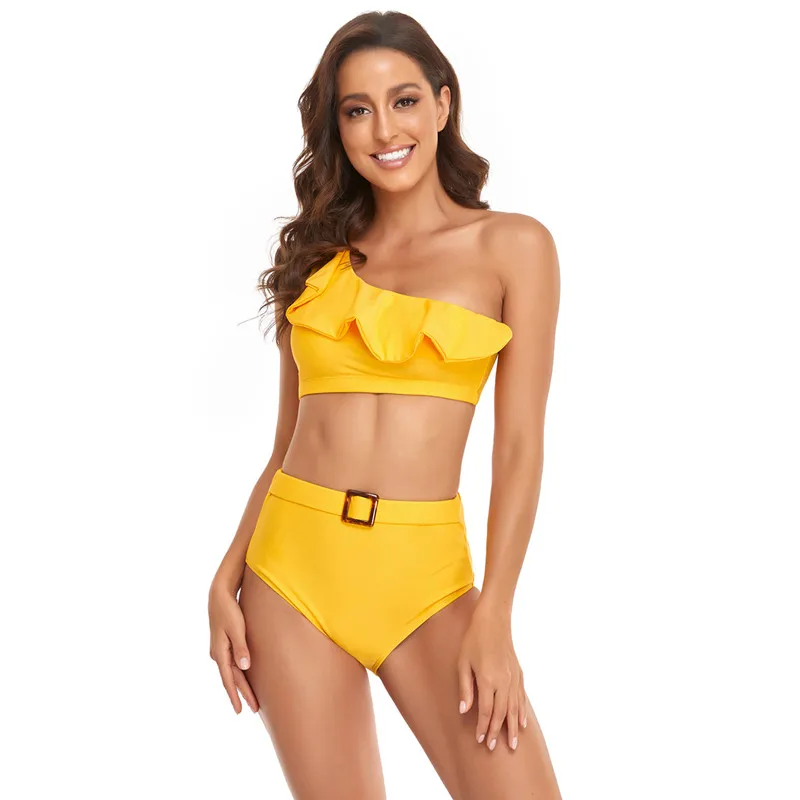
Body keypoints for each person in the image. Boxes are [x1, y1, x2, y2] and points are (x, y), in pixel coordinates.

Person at [208, 10, 562, 799]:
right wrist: (226, 577)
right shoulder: (316, 258)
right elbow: (286, 444)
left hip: (426, 578)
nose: (384, 129)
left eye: (404, 101)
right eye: (357, 110)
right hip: (289, 574)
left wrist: (495, 617)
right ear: (337, 128)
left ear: (443, 103)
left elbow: (519, 448)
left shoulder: (514, 247)